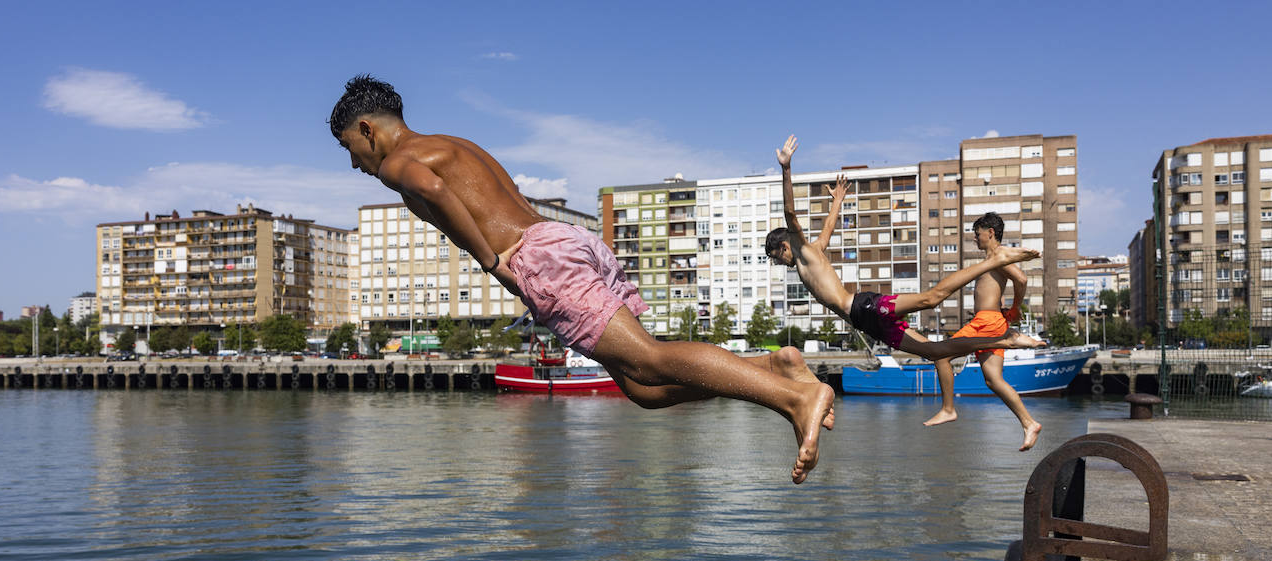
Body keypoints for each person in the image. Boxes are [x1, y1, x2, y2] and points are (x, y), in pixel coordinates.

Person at [329, 76, 834, 483]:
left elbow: (432, 190)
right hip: (561, 240)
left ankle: (796, 399)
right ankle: (775, 367)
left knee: (651, 360)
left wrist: (490, 262)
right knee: (643, 390)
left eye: (350, 147)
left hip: (537, 260)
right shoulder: (452, 143)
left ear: (368, 129)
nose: (355, 163)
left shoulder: (400, 162)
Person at [766, 135, 1045, 365]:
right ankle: (1005, 340)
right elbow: (828, 228)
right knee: (934, 352)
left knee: (930, 299)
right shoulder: (814, 251)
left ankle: (992, 261)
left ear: (784, 246)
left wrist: (786, 169)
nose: (779, 264)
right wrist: (838, 201)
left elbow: (790, 211)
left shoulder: (803, 251)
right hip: (865, 321)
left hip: (864, 307)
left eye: (776, 257)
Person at [923, 212, 1043, 451]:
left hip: (987, 322)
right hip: (990, 320)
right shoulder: (994, 257)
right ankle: (1029, 423)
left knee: (941, 354)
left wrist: (1017, 307)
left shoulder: (998, 255)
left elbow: (1021, 279)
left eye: (977, 235)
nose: (975, 239)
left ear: (990, 233)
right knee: (993, 380)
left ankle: (948, 409)